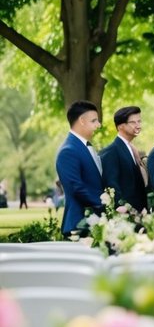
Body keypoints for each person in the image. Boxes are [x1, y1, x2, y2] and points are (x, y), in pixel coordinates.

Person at [55, 100, 104, 236]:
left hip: (95, 223)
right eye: (94, 121)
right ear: (82, 121)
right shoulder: (68, 151)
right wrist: (106, 206)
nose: (98, 125)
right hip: (79, 224)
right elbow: (76, 188)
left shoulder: (86, 147)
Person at [100, 105, 148, 211]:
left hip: (140, 213)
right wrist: (124, 208)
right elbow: (111, 185)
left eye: (139, 121)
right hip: (126, 216)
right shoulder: (111, 151)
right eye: (133, 122)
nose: (138, 125)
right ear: (120, 126)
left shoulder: (131, 149)